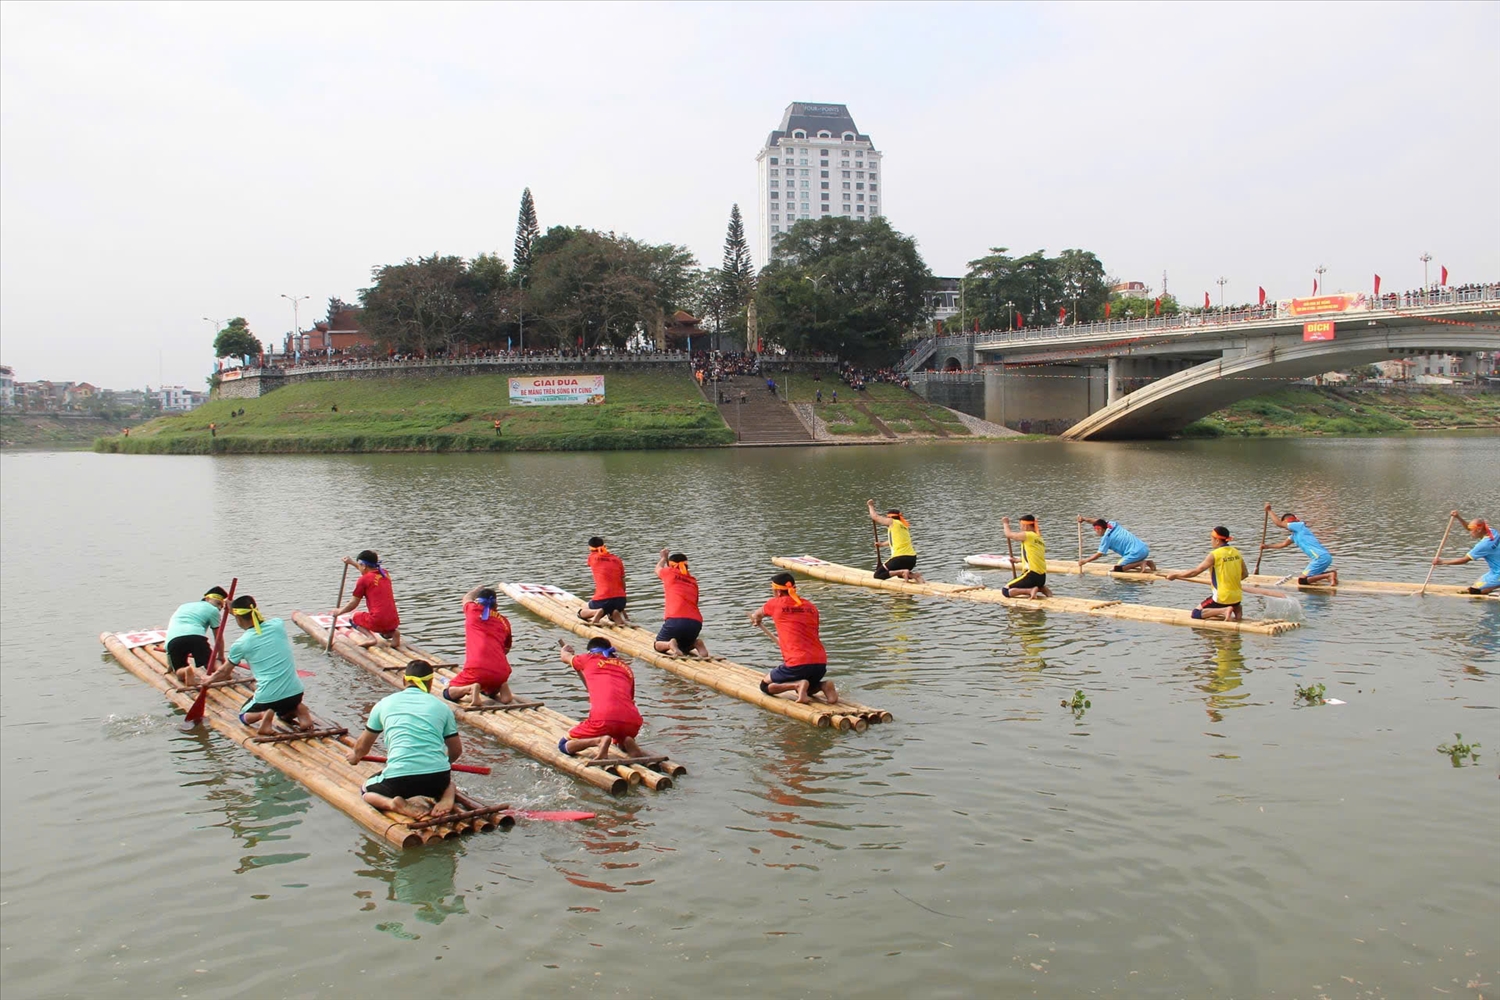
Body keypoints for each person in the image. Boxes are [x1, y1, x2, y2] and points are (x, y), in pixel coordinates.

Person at [345, 660, 461, 820]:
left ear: (404, 680)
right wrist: (440, 764)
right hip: (437, 778)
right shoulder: (443, 707)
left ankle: (393, 804)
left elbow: (362, 747)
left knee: (366, 791)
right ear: (430, 683)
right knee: (448, 782)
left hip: (400, 780)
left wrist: (355, 757)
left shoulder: (383, 704)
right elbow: (456, 751)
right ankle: (447, 796)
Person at [210, 595, 315, 735]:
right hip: (296, 693)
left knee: (243, 716)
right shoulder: (278, 625)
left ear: (238, 618)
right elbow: (262, 622)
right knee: (283, 714)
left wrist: (208, 681)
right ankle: (300, 710)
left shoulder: (241, 644)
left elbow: (224, 673)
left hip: (269, 698)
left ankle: (262, 716)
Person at [750, 573, 838, 705]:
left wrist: (757, 620)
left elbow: (757, 614)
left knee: (765, 686)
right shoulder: (811, 607)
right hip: (820, 663)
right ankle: (823, 685)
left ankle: (797, 685)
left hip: (797, 663)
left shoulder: (775, 604)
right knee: (808, 688)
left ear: (778, 591)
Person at [556, 638, 645, 760]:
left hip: (603, 718)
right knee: (619, 734)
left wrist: (565, 650)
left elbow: (565, 657)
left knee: (562, 745)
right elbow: (630, 699)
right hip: (632, 720)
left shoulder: (588, 659)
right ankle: (626, 741)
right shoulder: (626, 668)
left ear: (590, 652)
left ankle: (598, 741)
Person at [442, 587, 513, 707]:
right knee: (489, 688)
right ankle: (503, 690)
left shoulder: (473, 610)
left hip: (477, 669)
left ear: (478, 602)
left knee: (448, 692)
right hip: (502, 670)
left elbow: (466, 598)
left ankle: (470, 688)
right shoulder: (504, 621)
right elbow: (506, 649)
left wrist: (476, 589)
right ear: (496, 604)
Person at [1167, 527, 1247, 621]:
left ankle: (1225, 610)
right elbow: (1245, 574)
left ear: (1217, 540)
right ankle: (1236, 609)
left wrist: (1176, 575)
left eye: (1211, 539)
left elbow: (1195, 572)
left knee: (1196, 613)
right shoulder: (1236, 552)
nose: (1211, 541)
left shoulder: (1214, 554)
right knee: (1231, 601)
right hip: (1237, 596)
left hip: (1222, 597)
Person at [333, 550, 401, 647]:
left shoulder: (363, 580)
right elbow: (367, 574)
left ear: (364, 565)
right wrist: (352, 562)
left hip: (378, 621)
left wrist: (339, 612)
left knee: (353, 617)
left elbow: (353, 603)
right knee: (384, 632)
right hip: (393, 621)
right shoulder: (385, 574)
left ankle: (370, 638)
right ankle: (394, 633)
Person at [164, 586, 228, 686]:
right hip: (196, 638)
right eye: (218, 603)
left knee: (178, 672)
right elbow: (218, 637)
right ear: (207, 599)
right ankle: (222, 671)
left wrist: (170, 664)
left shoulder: (183, 606)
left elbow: (170, 634)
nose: (219, 608)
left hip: (173, 640)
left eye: (222, 606)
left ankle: (186, 670)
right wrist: (221, 657)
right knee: (211, 663)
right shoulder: (213, 610)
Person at [652, 549, 709, 657]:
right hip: (695, 623)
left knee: (657, 645)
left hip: (675, 619)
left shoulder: (669, 573)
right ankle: (696, 643)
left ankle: (669, 644)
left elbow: (657, 569)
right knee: (683, 646)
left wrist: (663, 558)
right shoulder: (693, 581)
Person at [1262, 504, 1336, 586]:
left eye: (1285, 524)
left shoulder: (1298, 526)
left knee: (1302, 580)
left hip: (1320, 557)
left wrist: (1269, 511)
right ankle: (1330, 574)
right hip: (1323, 557)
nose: (1286, 528)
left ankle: (1329, 575)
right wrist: (1267, 546)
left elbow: (1278, 523)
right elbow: (1283, 544)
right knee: (1309, 576)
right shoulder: (1294, 535)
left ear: (1287, 521)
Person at [1433, 511, 1499, 595]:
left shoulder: (1483, 545)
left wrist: (1441, 562)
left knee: (1474, 591)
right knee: (1476, 584)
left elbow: (1464, 560)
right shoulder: (1492, 532)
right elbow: (1469, 527)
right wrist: (1458, 517)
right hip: (1495, 571)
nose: (1470, 532)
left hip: (1498, 573)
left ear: (1479, 529)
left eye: (1472, 530)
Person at [868, 499, 926, 583]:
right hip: (912, 559)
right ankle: (913, 575)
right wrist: (881, 544)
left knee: (878, 575)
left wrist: (870, 506)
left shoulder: (892, 522)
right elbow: (894, 540)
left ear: (889, 517)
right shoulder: (904, 526)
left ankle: (903, 572)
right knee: (898, 574)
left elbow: (875, 517)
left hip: (900, 558)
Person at [1077, 517, 1155, 573]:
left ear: (1100, 529)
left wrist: (1085, 561)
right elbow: (1098, 521)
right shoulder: (1112, 524)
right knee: (1125, 561)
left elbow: (1099, 554)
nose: (1096, 532)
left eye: (1096, 530)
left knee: (1117, 568)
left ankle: (1141, 563)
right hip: (1144, 549)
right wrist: (1084, 519)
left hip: (1135, 553)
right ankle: (1146, 562)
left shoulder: (1106, 538)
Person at [578, 537, 628, 625]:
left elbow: (591, 563)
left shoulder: (592, 558)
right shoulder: (617, 559)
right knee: (612, 610)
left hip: (603, 600)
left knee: (580, 612)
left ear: (590, 548)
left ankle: (597, 612)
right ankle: (614, 613)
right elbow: (623, 583)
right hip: (621, 600)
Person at [1002, 514, 1052, 598]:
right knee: (1031, 583)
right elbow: (1034, 556)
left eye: (1021, 526)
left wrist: (1005, 523)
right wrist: (1017, 560)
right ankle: (1043, 589)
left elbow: (1009, 534)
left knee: (1005, 590)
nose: (1021, 528)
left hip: (1031, 575)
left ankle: (1030, 590)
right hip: (1042, 577)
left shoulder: (1028, 535)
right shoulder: (1039, 538)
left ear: (1025, 526)